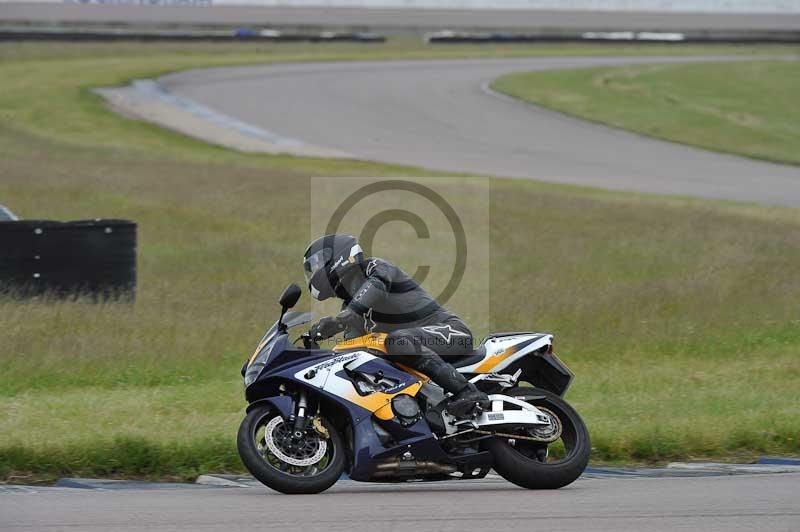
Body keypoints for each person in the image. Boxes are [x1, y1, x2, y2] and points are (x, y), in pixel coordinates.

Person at [303, 234, 490, 418]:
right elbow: (352, 352)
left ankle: (468, 392)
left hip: (451, 332)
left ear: (337, 257)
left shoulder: (374, 267)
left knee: (397, 341)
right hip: (415, 346)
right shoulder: (351, 309)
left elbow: (376, 285)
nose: (314, 273)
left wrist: (340, 321)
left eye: (317, 263)